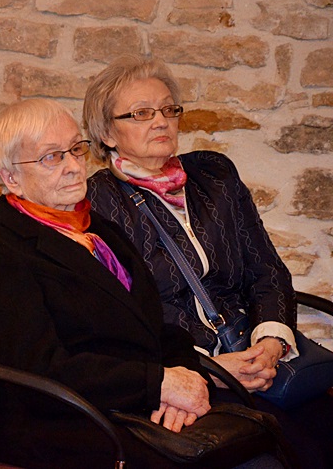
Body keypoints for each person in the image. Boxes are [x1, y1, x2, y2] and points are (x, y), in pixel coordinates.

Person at [0, 99, 282, 468]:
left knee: (263, 444)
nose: (74, 166)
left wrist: (184, 378)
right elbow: (41, 369)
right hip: (61, 421)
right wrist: (158, 384)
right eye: (52, 157)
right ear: (11, 177)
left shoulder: (100, 231)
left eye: (76, 149)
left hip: (134, 404)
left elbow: (157, 329)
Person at [83, 54, 333, 468]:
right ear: (107, 132)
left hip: (257, 354)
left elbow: (267, 270)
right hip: (190, 369)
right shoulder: (96, 203)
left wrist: (270, 342)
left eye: (168, 110)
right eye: (141, 113)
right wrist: (205, 368)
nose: (160, 122)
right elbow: (120, 317)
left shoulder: (214, 175)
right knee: (279, 448)